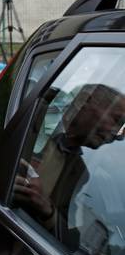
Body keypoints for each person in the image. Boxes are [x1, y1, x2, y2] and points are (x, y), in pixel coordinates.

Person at [14, 83, 125, 246]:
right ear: (85, 100)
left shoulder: (80, 172)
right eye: (116, 119)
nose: (117, 135)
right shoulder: (31, 119)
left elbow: (72, 241)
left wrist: (47, 209)